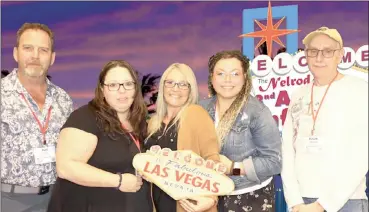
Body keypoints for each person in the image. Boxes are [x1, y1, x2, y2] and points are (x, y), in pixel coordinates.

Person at [46, 60, 153, 212]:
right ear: (102, 89)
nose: (121, 91)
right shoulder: (85, 117)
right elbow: (66, 167)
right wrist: (118, 180)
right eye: (113, 85)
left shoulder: (139, 121)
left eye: (128, 84)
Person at [281, 26, 368, 212]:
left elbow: (362, 154)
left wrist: (324, 205)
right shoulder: (298, 95)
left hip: (347, 202)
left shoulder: (360, 90)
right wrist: (295, 201)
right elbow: (287, 149)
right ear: (306, 55)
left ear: (340, 54)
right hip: (302, 202)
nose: (319, 58)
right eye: (313, 51)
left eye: (328, 51)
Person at [1, 22, 74, 212]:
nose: (35, 56)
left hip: (56, 199)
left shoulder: (63, 99)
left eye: (43, 50)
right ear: (16, 53)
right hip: (9, 201)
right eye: (28, 48)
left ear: (52, 58)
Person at [199, 50, 282, 212]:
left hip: (248, 196)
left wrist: (234, 167)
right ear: (212, 78)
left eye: (235, 74)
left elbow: (275, 162)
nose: (227, 80)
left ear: (245, 77)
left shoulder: (257, 112)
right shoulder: (200, 109)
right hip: (207, 196)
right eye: (221, 73)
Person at [144, 63, 220, 212]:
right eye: (170, 82)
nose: (175, 88)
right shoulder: (153, 122)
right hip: (158, 205)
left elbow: (212, 158)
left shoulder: (196, 114)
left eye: (183, 84)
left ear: (190, 90)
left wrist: (211, 198)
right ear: (163, 86)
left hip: (190, 205)